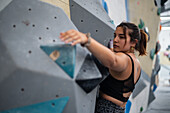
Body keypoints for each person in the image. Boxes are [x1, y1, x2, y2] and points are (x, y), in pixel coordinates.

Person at [59, 22, 148, 113]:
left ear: (133, 42)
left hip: (106, 109)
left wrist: (87, 40)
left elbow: (113, 61)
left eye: (121, 37)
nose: (115, 40)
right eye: (115, 36)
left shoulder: (125, 60)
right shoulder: (136, 62)